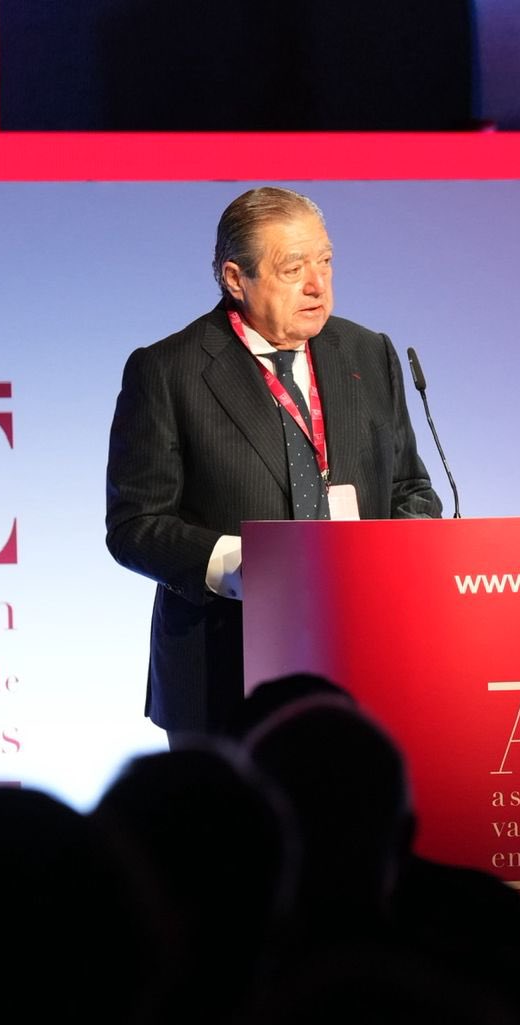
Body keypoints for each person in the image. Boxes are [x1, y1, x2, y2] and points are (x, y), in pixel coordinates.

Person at [105, 186, 442, 742]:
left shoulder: (368, 352)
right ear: (236, 279)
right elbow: (135, 525)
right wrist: (251, 567)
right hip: (223, 673)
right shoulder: (167, 371)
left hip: (365, 660)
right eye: (293, 269)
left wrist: (393, 561)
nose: (317, 284)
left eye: (325, 261)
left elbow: (410, 487)